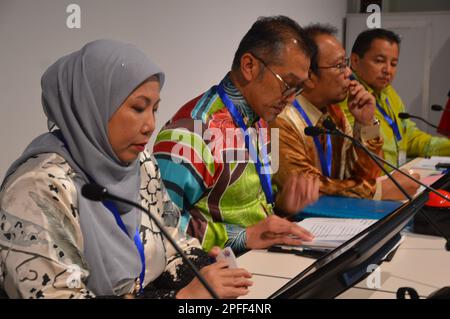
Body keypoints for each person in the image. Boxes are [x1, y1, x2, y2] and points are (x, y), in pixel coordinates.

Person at [0, 39, 252, 299]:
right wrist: (183, 299)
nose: (151, 125)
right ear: (94, 105)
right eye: (138, 108)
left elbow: (174, 244)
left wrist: (204, 271)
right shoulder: (36, 189)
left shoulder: (139, 163)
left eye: (155, 109)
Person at [153, 16, 319, 255]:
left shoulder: (262, 121)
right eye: (288, 83)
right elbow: (159, 223)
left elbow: (250, 208)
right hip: (214, 273)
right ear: (249, 65)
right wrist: (242, 237)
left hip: (258, 260)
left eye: (298, 88)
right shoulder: (192, 131)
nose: (291, 98)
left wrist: (282, 207)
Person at [270, 24, 383, 199]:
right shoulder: (281, 120)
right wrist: (376, 192)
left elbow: (369, 174)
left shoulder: (333, 113)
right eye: (339, 66)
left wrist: (366, 123)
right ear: (309, 76)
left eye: (346, 63)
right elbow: (305, 189)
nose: (349, 72)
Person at [341, 28, 450, 200]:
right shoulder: (349, 97)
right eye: (379, 61)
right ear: (354, 61)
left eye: (393, 64)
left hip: (397, 183)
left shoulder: (389, 93)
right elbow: (360, 152)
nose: (387, 70)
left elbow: (411, 137)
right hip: (370, 190)